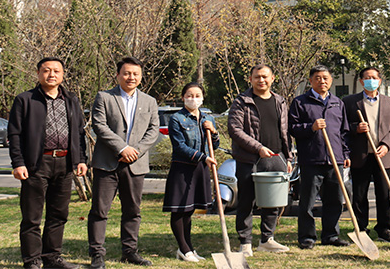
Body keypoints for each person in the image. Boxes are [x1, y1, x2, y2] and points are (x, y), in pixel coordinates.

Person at [8, 57, 87, 269]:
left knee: (59, 214)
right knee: (32, 217)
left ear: (62, 75)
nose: (51, 74)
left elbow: (79, 132)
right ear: (38, 74)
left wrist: (80, 159)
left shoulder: (71, 100)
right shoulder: (25, 100)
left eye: (56, 71)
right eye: (46, 70)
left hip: (64, 163)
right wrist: (18, 163)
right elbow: (15, 134)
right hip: (36, 164)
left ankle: (52, 257)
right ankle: (32, 260)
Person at [88, 57, 159, 268]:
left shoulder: (149, 101)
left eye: (135, 74)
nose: (131, 77)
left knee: (132, 210)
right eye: (127, 73)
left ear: (141, 77)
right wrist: (122, 148)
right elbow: (99, 126)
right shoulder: (104, 97)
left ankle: (130, 251)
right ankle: (97, 255)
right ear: (118, 75)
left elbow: (153, 130)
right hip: (107, 163)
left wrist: (135, 152)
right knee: (100, 211)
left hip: (135, 164)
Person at [227, 64, 292, 255]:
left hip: (276, 157)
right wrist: (258, 148)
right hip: (249, 158)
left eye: (265, 77)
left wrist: (287, 156)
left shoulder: (280, 101)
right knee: (247, 200)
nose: (261, 80)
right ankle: (245, 241)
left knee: (273, 200)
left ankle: (267, 239)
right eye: (257, 77)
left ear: (272, 79)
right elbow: (235, 130)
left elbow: (285, 132)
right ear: (251, 79)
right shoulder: (242, 101)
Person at [288, 65, 351, 249]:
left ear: (330, 80)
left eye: (325, 78)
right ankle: (307, 237)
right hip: (312, 160)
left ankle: (331, 235)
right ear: (310, 81)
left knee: (335, 200)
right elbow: (292, 128)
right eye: (317, 78)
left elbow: (344, 132)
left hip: (335, 160)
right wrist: (311, 127)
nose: (322, 81)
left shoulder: (337, 103)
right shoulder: (300, 103)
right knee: (307, 202)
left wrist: (346, 153)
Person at [344, 67, 390, 243]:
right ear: (361, 81)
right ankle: (361, 228)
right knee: (360, 195)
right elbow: (342, 127)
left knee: (383, 194)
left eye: (374, 77)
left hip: (383, 155)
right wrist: (356, 128)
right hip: (360, 156)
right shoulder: (349, 102)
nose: (371, 80)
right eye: (367, 78)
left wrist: (386, 145)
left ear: (380, 80)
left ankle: (384, 228)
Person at [163, 82, 219, 262]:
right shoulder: (177, 119)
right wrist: (203, 157)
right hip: (183, 167)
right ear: (183, 98)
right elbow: (179, 146)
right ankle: (184, 248)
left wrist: (214, 132)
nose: (193, 99)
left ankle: (188, 248)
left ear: (202, 98)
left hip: (200, 168)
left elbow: (214, 145)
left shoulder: (207, 119)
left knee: (189, 210)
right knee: (179, 209)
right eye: (189, 95)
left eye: (197, 96)